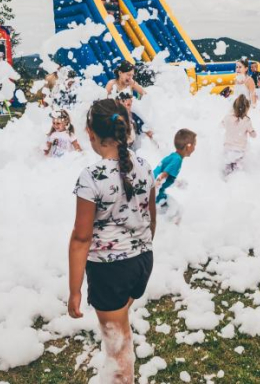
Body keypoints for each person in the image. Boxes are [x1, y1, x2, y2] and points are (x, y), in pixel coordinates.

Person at [68, 98, 155, 383]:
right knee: (120, 326)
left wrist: (75, 290)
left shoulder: (91, 177)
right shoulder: (145, 166)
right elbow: (151, 219)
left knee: (118, 348)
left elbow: (81, 238)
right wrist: (139, 250)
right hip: (142, 261)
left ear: (90, 133)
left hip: (109, 270)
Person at [153, 129, 197, 222]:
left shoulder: (174, 156)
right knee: (177, 212)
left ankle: (167, 230)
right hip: (155, 194)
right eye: (194, 145)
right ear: (188, 146)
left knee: (174, 211)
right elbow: (162, 175)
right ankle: (171, 232)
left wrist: (177, 183)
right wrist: (154, 190)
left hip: (154, 191)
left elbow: (167, 175)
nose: (195, 148)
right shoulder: (177, 160)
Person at [222, 94, 256, 176]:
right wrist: (252, 131)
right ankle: (236, 183)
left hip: (227, 149)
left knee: (227, 169)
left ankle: (224, 181)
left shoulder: (227, 117)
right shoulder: (246, 120)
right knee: (238, 172)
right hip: (239, 151)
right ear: (246, 109)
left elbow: (221, 125)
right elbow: (253, 135)